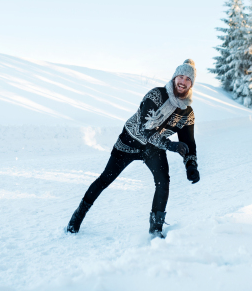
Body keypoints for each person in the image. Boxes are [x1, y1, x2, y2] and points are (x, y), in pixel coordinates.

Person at [66, 59, 200, 238]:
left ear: (191, 84)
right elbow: (145, 131)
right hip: (129, 142)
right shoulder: (156, 95)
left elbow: (188, 142)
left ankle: (155, 231)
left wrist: (191, 165)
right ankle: (76, 217)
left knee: (163, 182)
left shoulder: (187, 113)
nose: (183, 81)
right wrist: (170, 145)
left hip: (153, 147)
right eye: (180, 77)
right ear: (174, 78)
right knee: (105, 179)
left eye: (187, 79)